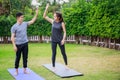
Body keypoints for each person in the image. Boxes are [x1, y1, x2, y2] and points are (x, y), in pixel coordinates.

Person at [11, 9, 38, 75]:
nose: (23, 18)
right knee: (18, 58)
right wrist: (14, 46)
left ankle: (25, 70)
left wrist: (36, 13)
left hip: (25, 43)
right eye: (21, 17)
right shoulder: (14, 27)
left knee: (25, 57)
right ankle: (16, 70)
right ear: (18, 18)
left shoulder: (25, 24)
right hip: (18, 44)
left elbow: (32, 21)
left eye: (23, 17)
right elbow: (12, 37)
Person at [43, 4, 68, 71]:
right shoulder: (53, 21)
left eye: (55, 16)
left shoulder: (62, 23)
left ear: (58, 17)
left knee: (63, 53)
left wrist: (63, 40)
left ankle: (66, 65)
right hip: (53, 40)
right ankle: (53, 67)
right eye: (54, 16)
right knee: (54, 53)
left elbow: (65, 32)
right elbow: (44, 16)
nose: (54, 17)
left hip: (60, 40)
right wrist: (46, 8)